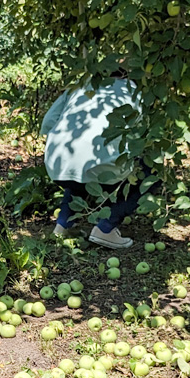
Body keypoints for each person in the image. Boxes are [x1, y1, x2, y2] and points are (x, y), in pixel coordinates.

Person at [42, 75, 148, 250]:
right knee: (152, 169)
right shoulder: (134, 89)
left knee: (79, 169)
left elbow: (47, 124)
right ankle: (106, 228)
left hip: (57, 164)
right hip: (103, 169)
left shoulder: (81, 85)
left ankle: (63, 225)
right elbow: (141, 135)